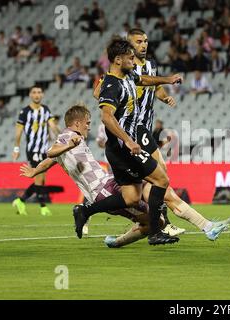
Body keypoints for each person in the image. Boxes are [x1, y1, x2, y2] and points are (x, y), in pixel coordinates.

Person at [20, 104, 230, 247]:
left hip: (109, 184)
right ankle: (113, 238)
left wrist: (35, 170)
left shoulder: (71, 139)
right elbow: (52, 152)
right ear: (77, 123)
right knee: (155, 217)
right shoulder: (69, 135)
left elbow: (51, 159)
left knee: (157, 200)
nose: (89, 125)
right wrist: (68, 144)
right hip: (103, 192)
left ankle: (207, 226)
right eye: (86, 121)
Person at [74, 38, 183, 245]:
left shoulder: (128, 75)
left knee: (131, 198)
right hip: (125, 148)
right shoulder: (111, 85)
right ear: (117, 60)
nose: (134, 62)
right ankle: (155, 233)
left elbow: (142, 79)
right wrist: (130, 141)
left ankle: (85, 210)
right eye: (130, 58)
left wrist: (167, 80)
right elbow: (106, 117)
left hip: (118, 149)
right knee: (161, 179)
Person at [12, 86, 60, 216]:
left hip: (44, 150)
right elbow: (18, 132)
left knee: (41, 180)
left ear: (42, 94)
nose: (37, 95)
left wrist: (61, 137)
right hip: (33, 150)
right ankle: (43, 207)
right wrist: (16, 148)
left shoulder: (46, 110)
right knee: (39, 178)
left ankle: (20, 200)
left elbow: (53, 127)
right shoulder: (25, 112)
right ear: (30, 95)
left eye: (39, 92)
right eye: (34, 92)